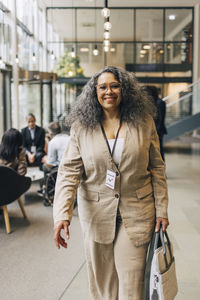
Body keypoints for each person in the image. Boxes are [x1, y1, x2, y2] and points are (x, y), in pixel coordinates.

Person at [53, 66, 169, 300]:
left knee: (132, 285)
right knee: (103, 286)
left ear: (124, 89)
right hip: (96, 213)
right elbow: (69, 172)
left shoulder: (144, 122)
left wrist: (162, 209)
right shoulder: (81, 127)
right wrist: (62, 214)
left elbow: (157, 167)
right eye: (103, 86)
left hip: (137, 212)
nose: (109, 91)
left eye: (115, 85)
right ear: (94, 92)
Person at [40, 122, 70, 206]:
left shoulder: (53, 142)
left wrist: (46, 159)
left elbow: (51, 162)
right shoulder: (69, 137)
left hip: (61, 168)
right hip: (71, 165)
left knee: (45, 166)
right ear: (60, 130)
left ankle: (47, 192)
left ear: (51, 133)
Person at [143, 86, 167, 161]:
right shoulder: (153, 102)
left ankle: (161, 167)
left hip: (158, 131)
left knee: (158, 150)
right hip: (155, 130)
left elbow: (160, 119)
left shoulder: (160, 102)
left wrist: (155, 132)